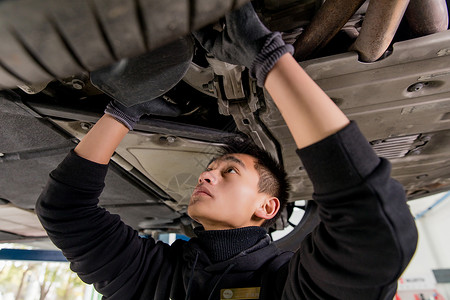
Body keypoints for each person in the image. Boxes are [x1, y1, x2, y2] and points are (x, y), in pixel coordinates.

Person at [36, 3, 418, 299]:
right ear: (266, 207)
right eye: (225, 169)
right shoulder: (281, 285)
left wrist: (124, 109)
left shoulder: (154, 281)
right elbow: (374, 229)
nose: (205, 174)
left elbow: (64, 212)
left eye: (226, 171)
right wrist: (267, 58)